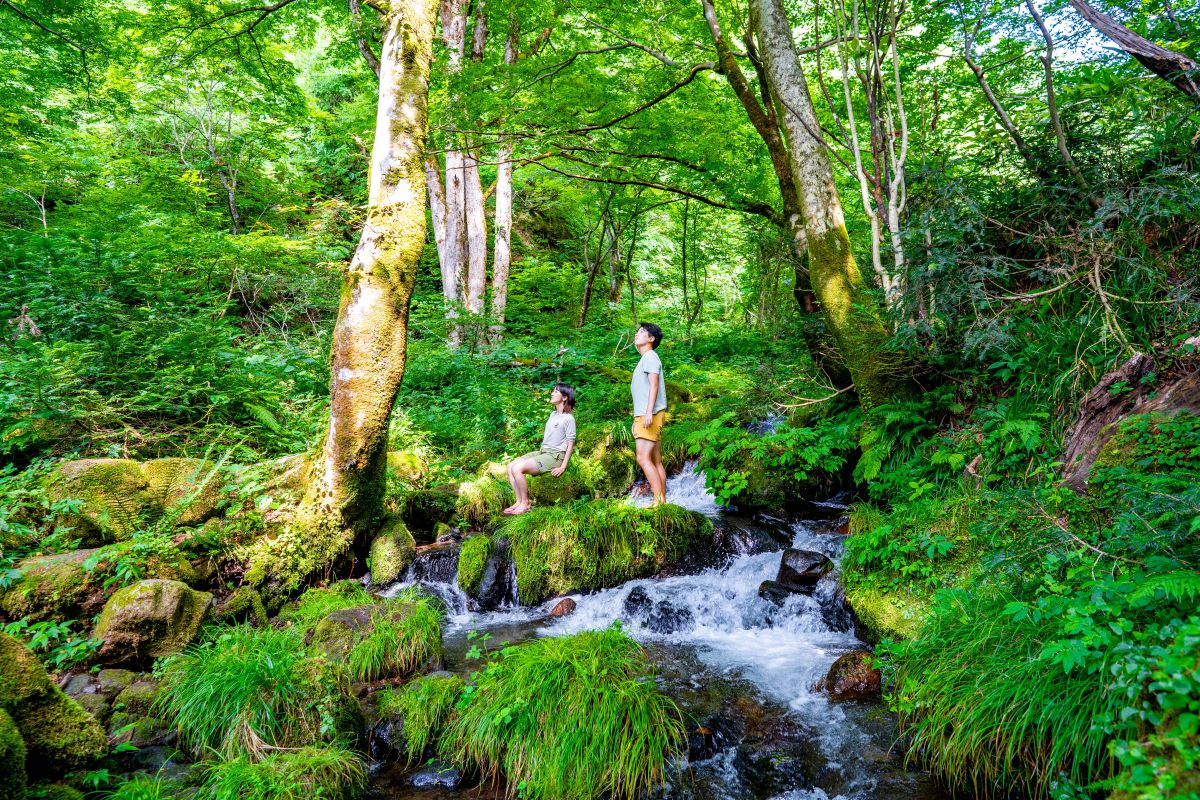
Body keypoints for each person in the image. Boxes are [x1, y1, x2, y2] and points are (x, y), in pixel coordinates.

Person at [504, 383, 577, 515]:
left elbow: (570, 445)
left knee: (517, 469)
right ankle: (519, 501)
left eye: (556, 392)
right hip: (543, 452)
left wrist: (563, 467)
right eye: (553, 391)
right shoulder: (552, 414)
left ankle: (525, 504)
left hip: (555, 456)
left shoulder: (569, 419)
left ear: (565, 397)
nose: (552, 393)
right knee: (510, 466)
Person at [631, 323, 668, 505]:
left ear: (651, 339)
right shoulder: (646, 358)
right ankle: (662, 501)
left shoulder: (650, 357)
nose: (637, 335)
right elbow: (643, 391)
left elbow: (654, 385)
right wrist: (636, 417)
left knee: (643, 457)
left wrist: (647, 413)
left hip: (650, 414)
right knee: (655, 460)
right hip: (649, 414)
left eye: (642, 332)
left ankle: (658, 500)